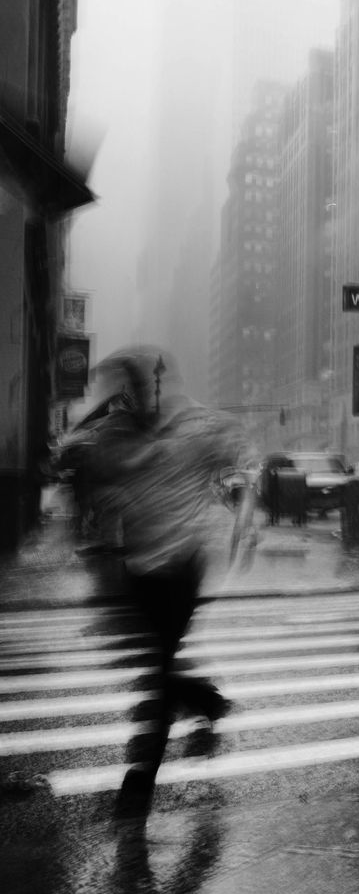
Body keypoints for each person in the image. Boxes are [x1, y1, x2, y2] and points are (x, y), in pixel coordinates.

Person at [62, 346, 255, 822]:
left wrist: (245, 520)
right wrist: (89, 534)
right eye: (129, 388)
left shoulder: (200, 427)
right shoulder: (113, 434)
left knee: (158, 669)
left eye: (146, 385)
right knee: (156, 663)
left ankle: (138, 784)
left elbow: (240, 471)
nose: (140, 395)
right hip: (137, 569)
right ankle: (207, 700)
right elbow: (86, 481)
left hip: (183, 566)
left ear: (161, 385)